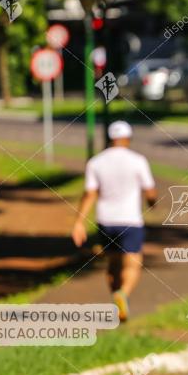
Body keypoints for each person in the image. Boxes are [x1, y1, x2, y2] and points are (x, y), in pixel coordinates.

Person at [72, 120, 158, 321]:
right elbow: (150, 191)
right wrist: (152, 202)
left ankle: (116, 297)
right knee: (133, 264)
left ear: (110, 139)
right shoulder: (138, 160)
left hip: (106, 220)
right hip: (130, 220)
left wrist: (79, 222)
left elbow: (90, 194)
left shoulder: (96, 162)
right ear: (127, 139)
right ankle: (123, 294)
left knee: (113, 264)